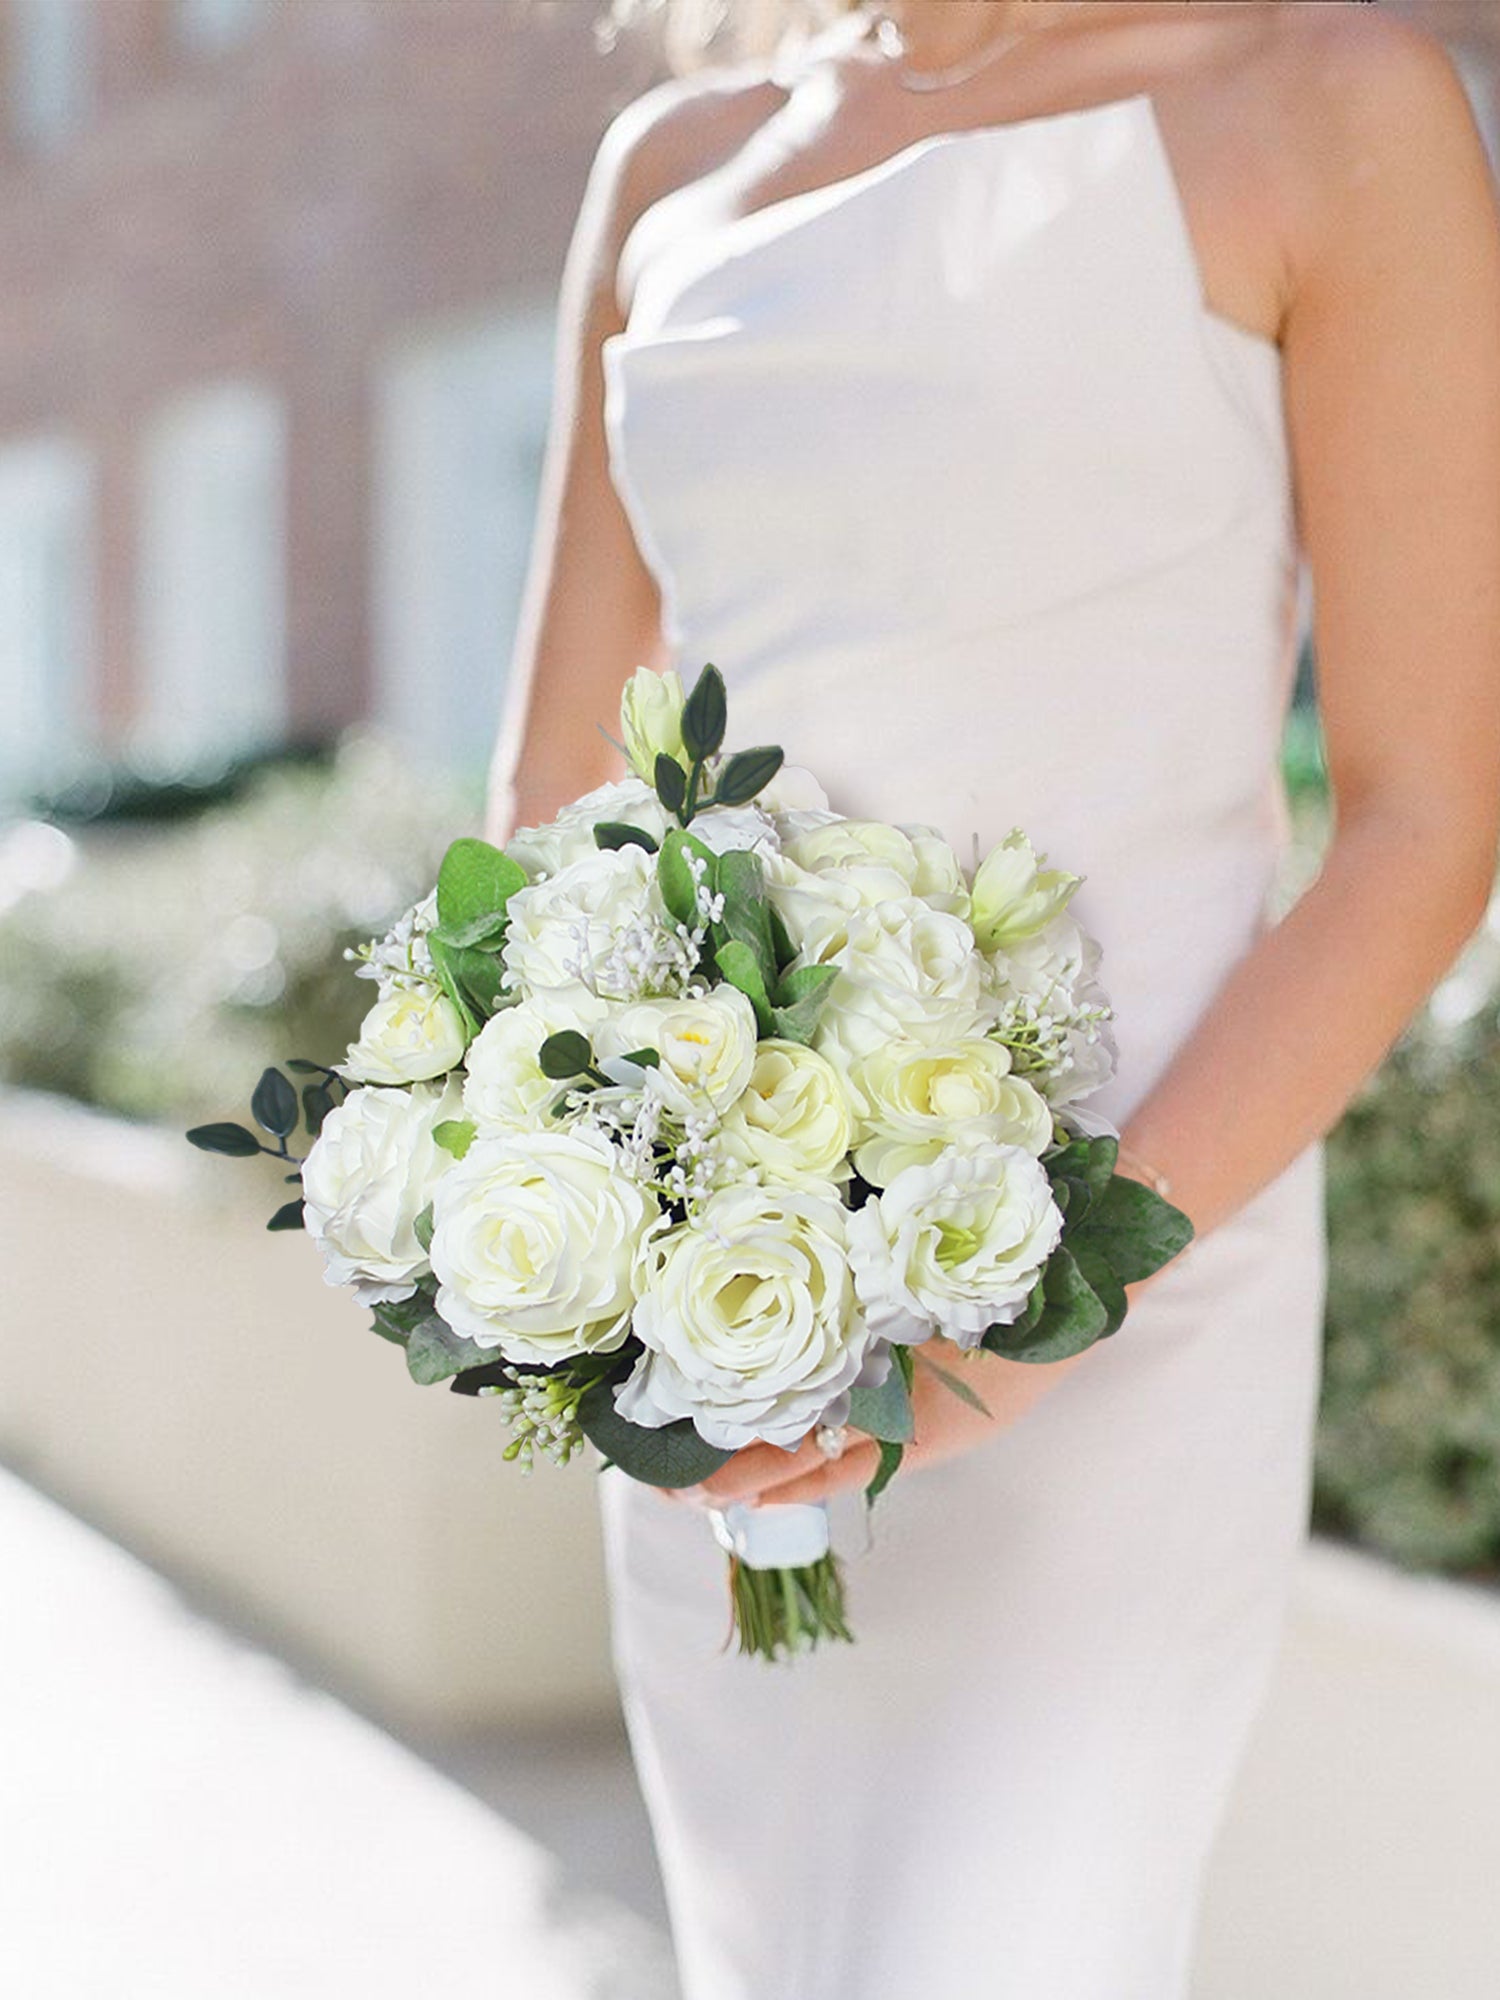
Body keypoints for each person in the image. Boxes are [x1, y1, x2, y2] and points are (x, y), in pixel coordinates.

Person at [485, 2, 1500, 1992]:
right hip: (730, 1328)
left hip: (1134, 1288)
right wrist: (592, 1229)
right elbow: (552, 802)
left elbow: (1425, 824)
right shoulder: (670, 175)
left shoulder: (1326, 99)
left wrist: (1036, 1320)